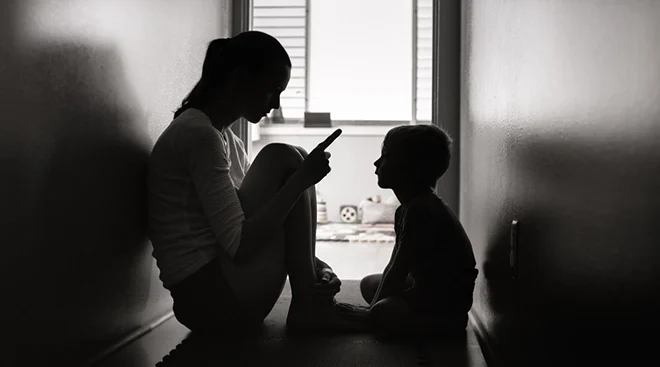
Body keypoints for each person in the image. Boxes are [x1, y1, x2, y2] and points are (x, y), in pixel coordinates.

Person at [147, 31, 357, 336]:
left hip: (225, 287)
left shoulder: (225, 137)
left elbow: (265, 225)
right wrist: (301, 181)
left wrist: (318, 267)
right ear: (242, 77)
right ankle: (308, 307)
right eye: (273, 90)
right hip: (207, 301)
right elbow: (242, 246)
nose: (276, 104)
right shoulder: (198, 134)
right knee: (283, 158)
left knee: (292, 157)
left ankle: (309, 297)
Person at [342, 124, 478, 337]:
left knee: (382, 312)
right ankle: (411, 317)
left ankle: (445, 323)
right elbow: (394, 264)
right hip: (425, 284)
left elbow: (399, 269)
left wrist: (368, 314)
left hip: (445, 297)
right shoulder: (405, 210)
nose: (376, 163)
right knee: (369, 284)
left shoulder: (422, 211)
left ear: (410, 168)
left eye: (385, 156)